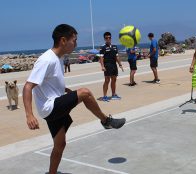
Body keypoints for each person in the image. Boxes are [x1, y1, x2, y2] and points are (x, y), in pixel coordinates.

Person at [22, 24, 126, 174]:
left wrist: (65, 90)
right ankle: (106, 121)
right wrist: (29, 115)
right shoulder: (46, 59)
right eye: (74, 40)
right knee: (85, 93)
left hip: (53, 106)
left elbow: (49, 81)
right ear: (63, 40)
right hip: (50, 107)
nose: (76, 44)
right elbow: (27, 86)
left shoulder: (58, 58)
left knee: (60, 145)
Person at [99, 32, 124, 102]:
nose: (108, 39)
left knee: (114, 80)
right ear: (104, 39)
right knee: (107, 81)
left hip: (114, 65)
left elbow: (117, 56)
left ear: (111, 38)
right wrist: (102, 66)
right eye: (106, 38)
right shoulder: (103, 47)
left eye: (109, 37)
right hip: (107, 65)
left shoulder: (115, 46)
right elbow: (101, 58)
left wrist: (120, 64)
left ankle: (113, 94)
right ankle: (104, 96)